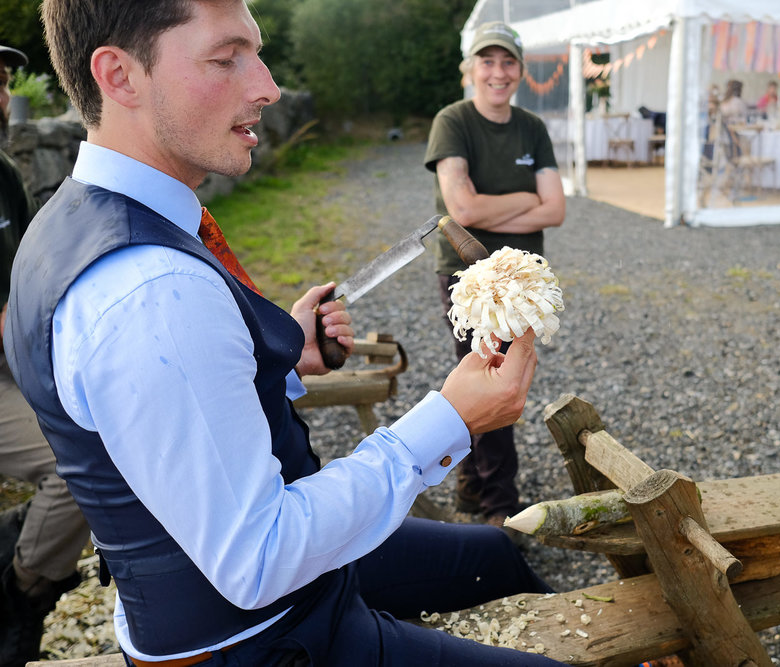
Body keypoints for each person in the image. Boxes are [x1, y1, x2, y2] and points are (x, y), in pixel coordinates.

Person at [6, 2, 566, 665]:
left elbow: (163, 414)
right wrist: (450, 418)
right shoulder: (150, 291)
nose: (267, 85)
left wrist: (284, 357)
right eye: (226, 57)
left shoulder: (72, 219)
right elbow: (258, 558)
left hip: (282, 595)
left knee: (498, 552)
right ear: (120, 76)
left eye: (258, 53)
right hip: (268, 638)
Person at [424, 22, 565, 530]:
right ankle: (499, 507)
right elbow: (460, 206)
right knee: (491, 379)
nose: (497, 72)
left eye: (507, 62)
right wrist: (527, 199)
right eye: (487, 61)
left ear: (521, 70)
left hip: (523, 283)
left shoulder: (532, 127)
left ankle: (470, 485)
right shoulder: (453, 121)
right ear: (470, 69)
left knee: (499, 373)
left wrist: (492, 210)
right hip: (473, 281)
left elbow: (556, 211)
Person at [0, 42, 91, 667]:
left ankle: (18, 588)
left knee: (92, 447)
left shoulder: (4, 174)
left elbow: (26, 280)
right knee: (75, 462)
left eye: (3, 81)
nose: (1, 96)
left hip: (9, 364)